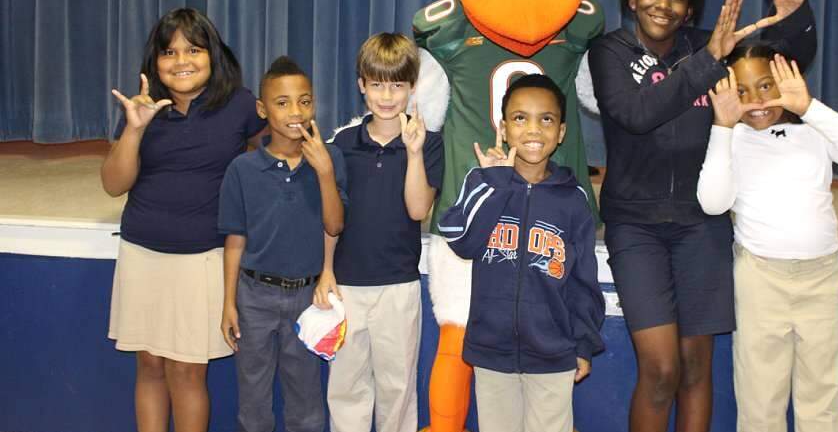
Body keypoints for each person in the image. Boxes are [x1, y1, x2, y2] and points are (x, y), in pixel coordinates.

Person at [588, 0, 816, 432]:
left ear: (689, 10)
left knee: (695, 369)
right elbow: (637, 115)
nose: (662, 5)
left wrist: (796, 21)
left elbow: (784, 69)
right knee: (661, 370)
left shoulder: (713, 46)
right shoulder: (610, 52)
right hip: (636, 227)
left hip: (702, 225)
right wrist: (708, 62)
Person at [696, 45, 838, 432]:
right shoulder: (730, 141)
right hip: (761, 279)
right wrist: (722, 127)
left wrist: (809, 108)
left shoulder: (813, 133)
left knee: (823, 396)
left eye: (766, 86)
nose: (756, 102)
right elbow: (713, 203)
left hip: (821, 277)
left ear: (785, 82)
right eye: (743, 92)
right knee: (760, 397)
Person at [103, 8, 265, 432]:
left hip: (203, 258)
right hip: (142, 253)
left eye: (193, 49)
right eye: (169, 52)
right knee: (150, 365)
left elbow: (276, 149)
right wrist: (135, 128)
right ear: (155, 62)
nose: (181, 61)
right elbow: (113, 184)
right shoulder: (143, 109)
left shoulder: (241, 105)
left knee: (188, 372)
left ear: (212, 55)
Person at [439, 74, 605, 432]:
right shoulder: (483, 181)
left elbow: (584, 282)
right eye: (520, 118)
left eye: (546, 119)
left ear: (561, 132)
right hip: (491, 350)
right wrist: (495, 184)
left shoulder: (573, 198)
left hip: (554, 353)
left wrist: (583, 343)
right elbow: (460, 239)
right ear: (502, 127)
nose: (533, 129)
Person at [321, 33, 444, 432]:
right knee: (347, 389)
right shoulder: (342, 143)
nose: (387, 95)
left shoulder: (428, 144)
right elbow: (330, 218)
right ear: (362, 85)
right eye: (377, 84)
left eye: (397, 85)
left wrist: (413, 153)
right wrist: (325, 271)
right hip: (347, 287)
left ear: (412, 88)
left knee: (398, 389)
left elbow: (418, 208)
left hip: (398, 288)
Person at [218, 56, 347, 432]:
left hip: (308, 298)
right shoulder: (241, 169)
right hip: (254, 295)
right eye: (283, 102)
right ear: (262, 109)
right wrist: (228, 302)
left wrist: (324, 171)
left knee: (305, 404)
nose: (296, 111)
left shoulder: (331, 158)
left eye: (305, 101)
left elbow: (335, 224)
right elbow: (235, 239)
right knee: (253, 403)